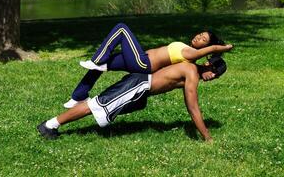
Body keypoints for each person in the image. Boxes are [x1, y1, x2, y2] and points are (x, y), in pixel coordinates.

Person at [38, 56, 227, 142]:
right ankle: (50, 125)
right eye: (214, 71)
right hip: (138, 84)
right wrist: (207, 137)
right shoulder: (191, 72)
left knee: (106, 107)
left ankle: (60, 122)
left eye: (216, 76)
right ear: (207, 63)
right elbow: (193, 108)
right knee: (96, 105)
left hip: (140, 89)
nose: (213, 76)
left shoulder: (191, 70)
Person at [64, 23, 233, 108]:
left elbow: (211, 49)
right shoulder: (189, 51)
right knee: (101, 67)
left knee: (122, 29)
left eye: (203, 40)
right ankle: (79, 96)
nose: (198, 37)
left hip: (142, 63)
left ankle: (97, 58)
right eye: (200, 34)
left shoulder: (191, 54)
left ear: (205, 48)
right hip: (141, 59)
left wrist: (223, 48)